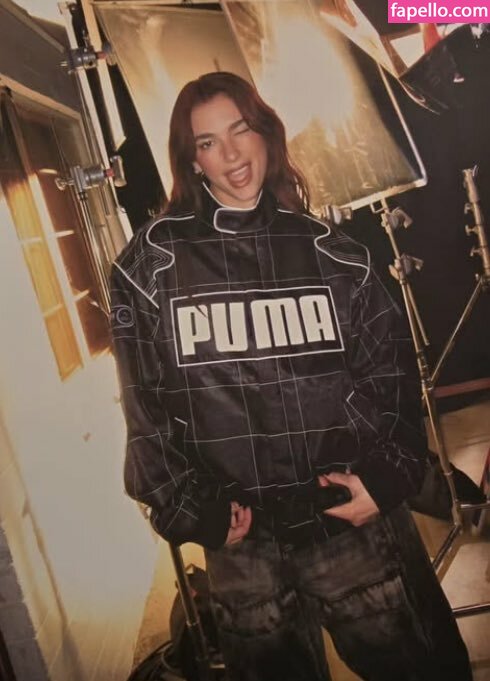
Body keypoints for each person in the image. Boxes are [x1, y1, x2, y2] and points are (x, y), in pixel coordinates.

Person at [110, 71, 472, 681]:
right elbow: (142, 406)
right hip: (241, 544)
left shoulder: (336, 254)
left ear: (265, 133)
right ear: (191, 160)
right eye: (207, 142)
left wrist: (387, 477)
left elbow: (392, 374)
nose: (230, 154)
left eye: (240, 130)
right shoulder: (150, 266)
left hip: (349, 519)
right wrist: (190, 510)